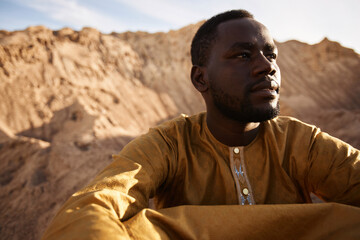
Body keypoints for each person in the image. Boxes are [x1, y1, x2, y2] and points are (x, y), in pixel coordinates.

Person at [42, 9, 360, 239]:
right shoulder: (169, 144)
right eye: (242, 56)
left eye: (271, 54)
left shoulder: (300, 141)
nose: (267, 67)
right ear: (200, 78)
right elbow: (96, 204)